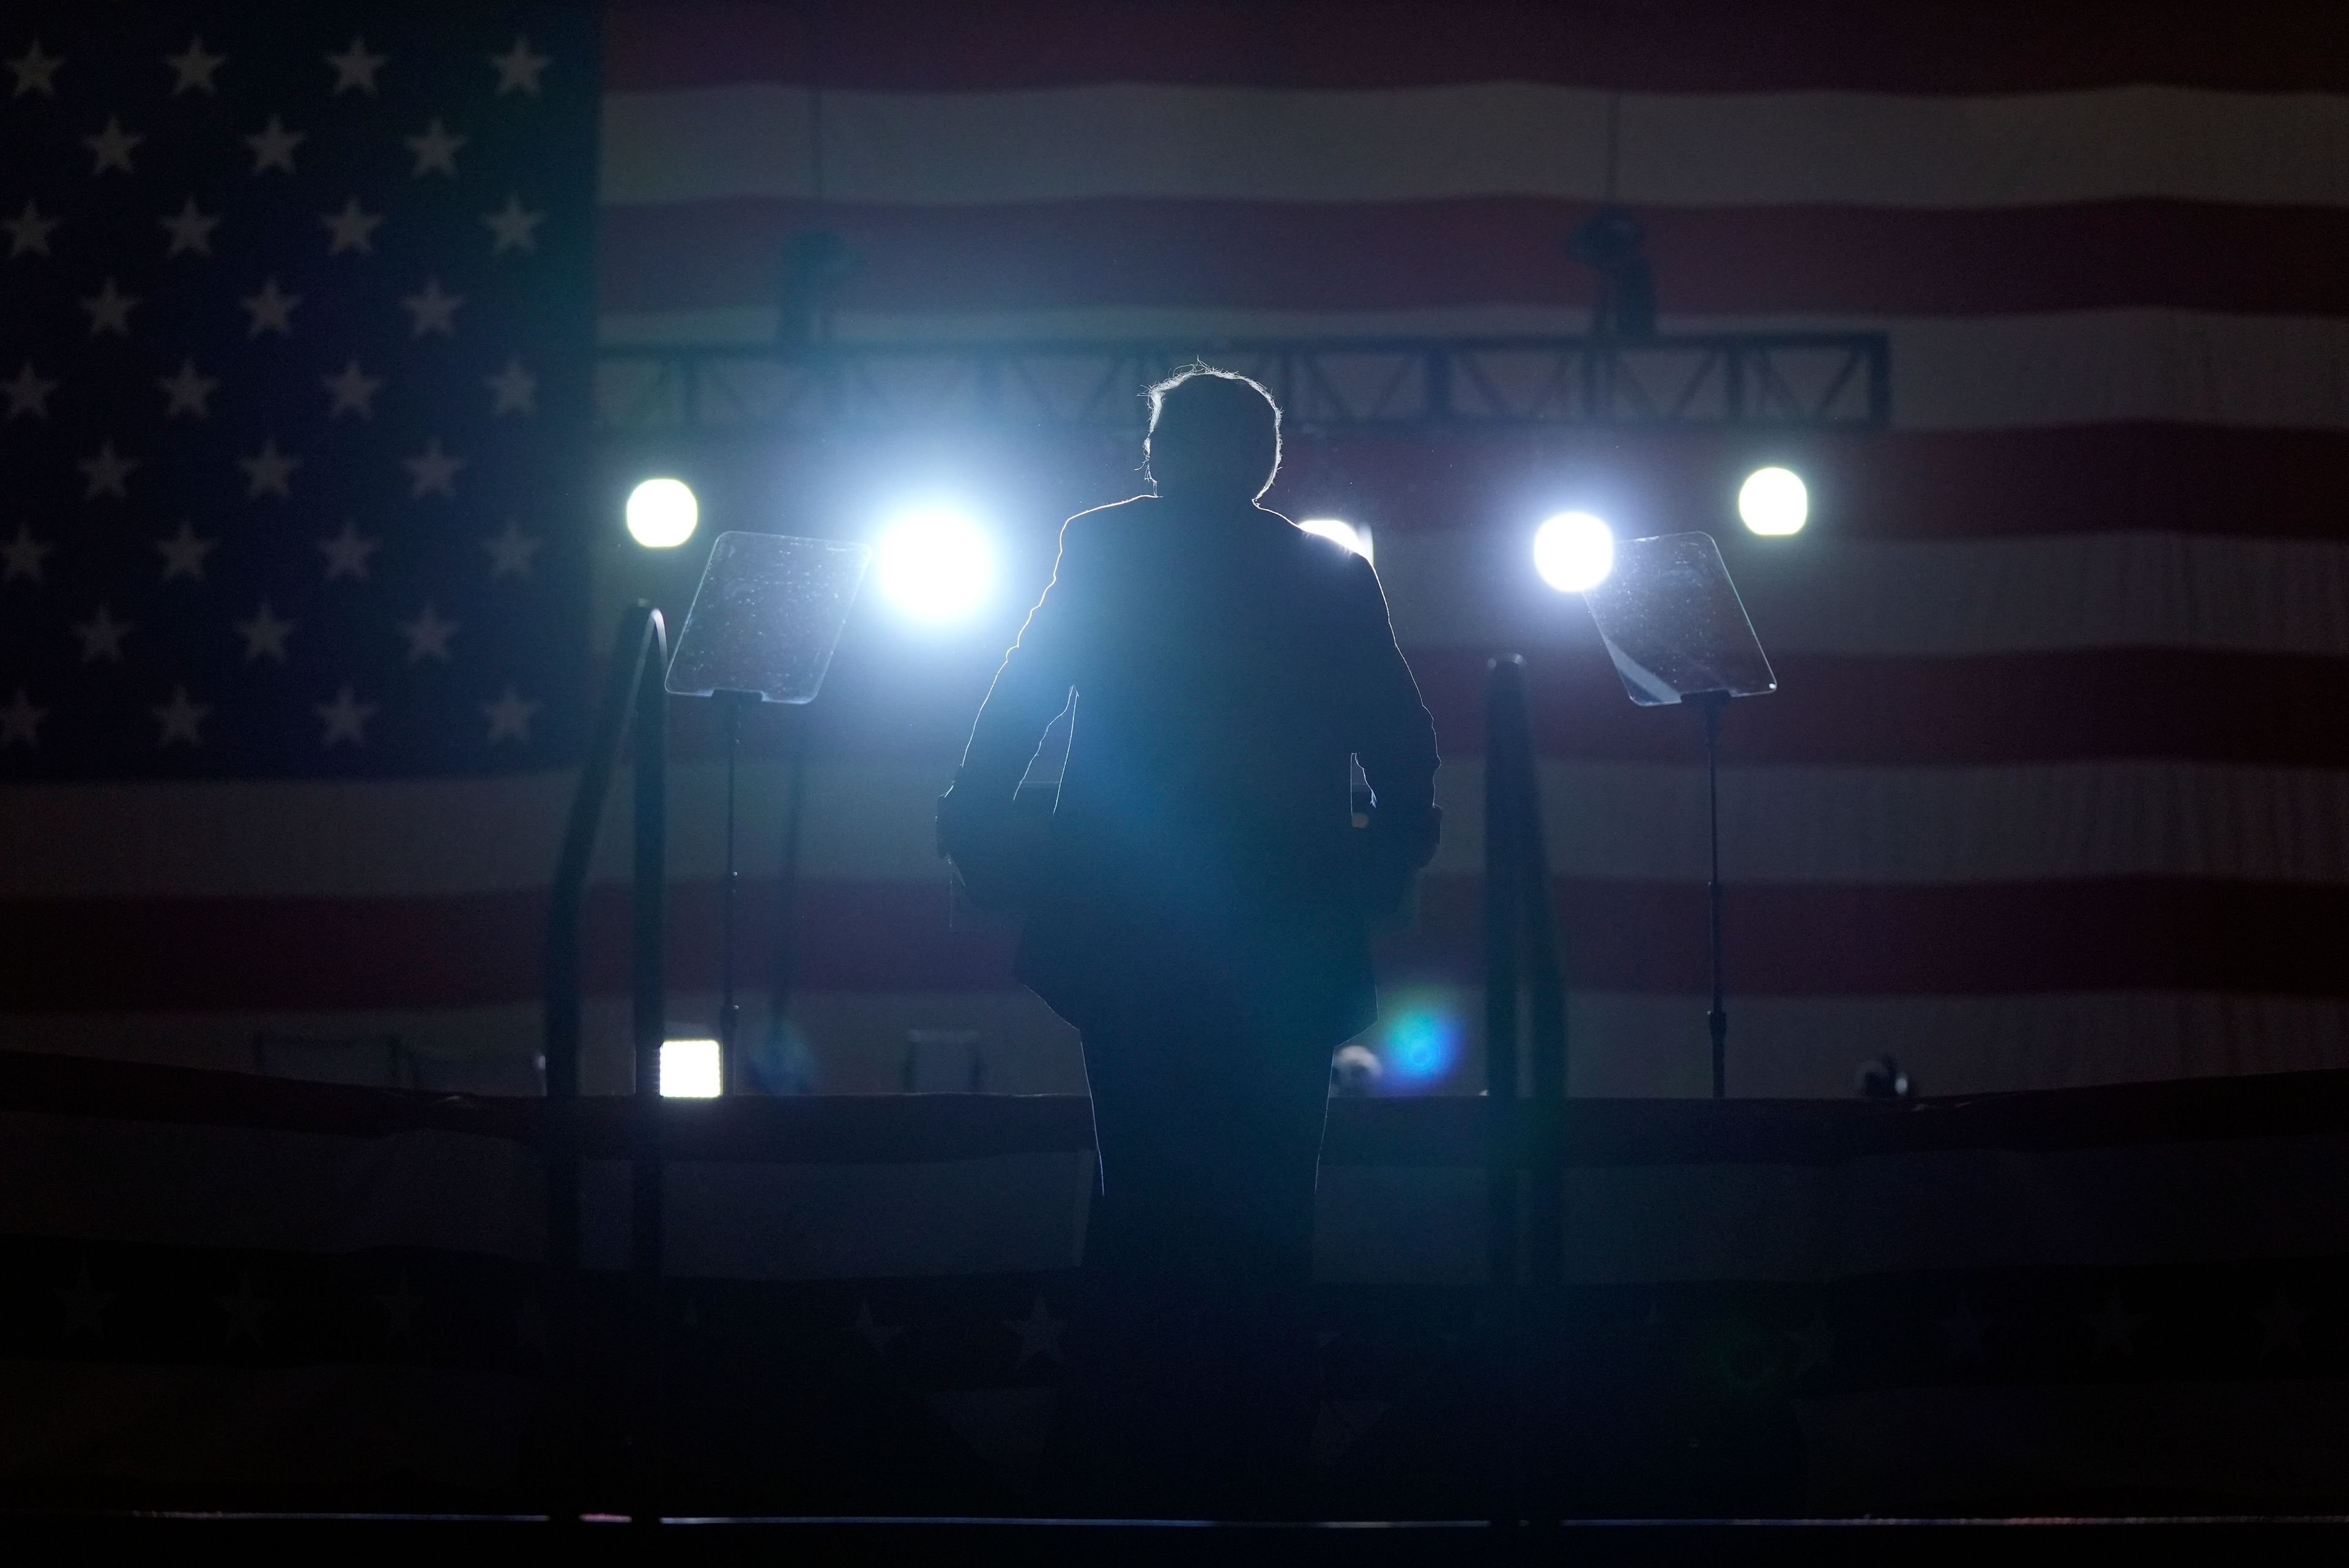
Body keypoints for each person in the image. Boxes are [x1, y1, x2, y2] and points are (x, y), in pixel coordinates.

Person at [937, 366, 1441, 1514]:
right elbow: (1400, 737)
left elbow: (1028, 690)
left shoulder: (1108, 550)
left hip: (1133, 931)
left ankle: (1129, 1455)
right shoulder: (1327, 572)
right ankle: (1262, 1458)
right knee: (1271, 1191)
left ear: (1161, 454)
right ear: (1265, 460)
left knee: (1147, 1189)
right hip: (1286, 938)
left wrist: (974, 814)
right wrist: (1391, 848)